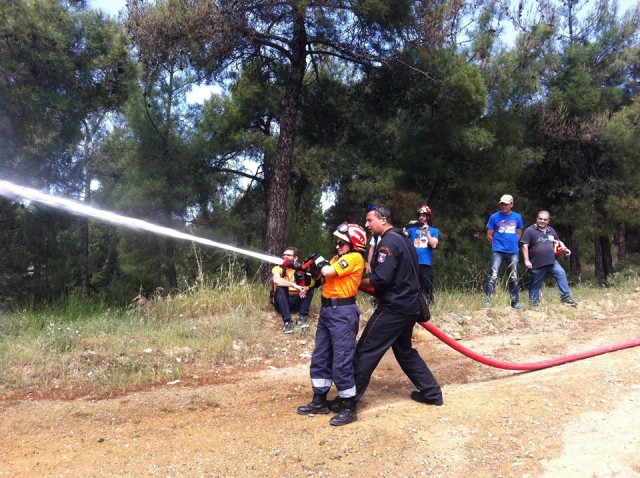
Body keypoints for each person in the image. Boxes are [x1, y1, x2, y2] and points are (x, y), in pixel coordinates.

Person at [326, 204, 443, 412]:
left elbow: (380, 280)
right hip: (409, 306)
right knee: (404, 351)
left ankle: (348, 400)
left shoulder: (388, 242)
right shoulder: (403, 239)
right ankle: (432, 393)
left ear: (383, 220)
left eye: (370, 220)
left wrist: (355, 281)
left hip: (394, 308)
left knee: (365, 350)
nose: (366, 224)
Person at [296, 223, 367, 426]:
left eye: (342, 243)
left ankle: (348, 407)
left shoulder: (354, 258)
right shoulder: (338, 258)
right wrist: (304, 272)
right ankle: (319, 401)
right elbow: (320, 278)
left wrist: (319, 262)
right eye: (337, 243)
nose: (337, 246)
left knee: (342, 360)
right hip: (327, 311)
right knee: (321, 356)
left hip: (343, 313)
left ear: (354, 243)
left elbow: (328, 271)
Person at [520, 210, 578, 307]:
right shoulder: (529, 231)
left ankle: (566, 298)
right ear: (536, 219)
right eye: (540, 219)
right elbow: (524, 246)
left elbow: (558, 242)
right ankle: (534, 304)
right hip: (536, 263)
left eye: (545, 219)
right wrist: (526, 260)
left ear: (548, 221)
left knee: (561, 273)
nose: (542, 221)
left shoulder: (551, 231)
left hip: (551, 262)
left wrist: (565, 249)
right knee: (535, 285)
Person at [484, 194, 525, 309]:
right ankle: (488, 300)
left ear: (512, 204)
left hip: (513, 251)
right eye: (502, 204)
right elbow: (489, 235)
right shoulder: (494, 217)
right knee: (493, 275)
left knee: (514, 277)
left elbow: (519, 232)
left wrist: (512, 243)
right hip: (498, 251)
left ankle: (515, 302)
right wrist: (497, 246)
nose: (504, 206)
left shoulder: (517, 217)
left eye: (506, 204)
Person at [271, 247, 315, 334]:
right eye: (284, 255)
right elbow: (277, 280)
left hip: (296, 299)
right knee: (281, 287)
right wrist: (294, 285)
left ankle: (302, 318)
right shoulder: (278, 268)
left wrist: (305, 287)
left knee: (308, 290)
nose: (285, 257)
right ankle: (287, 322)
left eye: (288, 255)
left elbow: (312, 282)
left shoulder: (301, 269)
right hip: (282, 300)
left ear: (295, 258)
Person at [404, 204, 439, 303]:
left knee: (427, 286)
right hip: (413, 261)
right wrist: (408, 226)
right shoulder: (412, 229)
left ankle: (429, 304)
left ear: (427, 217)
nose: (421, 217)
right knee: (411, 285)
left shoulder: (433, 231)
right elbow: (402, 236)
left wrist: (427, 232)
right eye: (419, 215)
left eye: (423, 215)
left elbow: (433, 245)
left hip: (425, 262)